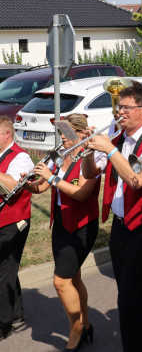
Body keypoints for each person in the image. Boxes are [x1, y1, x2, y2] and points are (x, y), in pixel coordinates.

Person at [84, 85, 142, 352]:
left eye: (126, 108)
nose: (119, 112)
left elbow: (137, 181)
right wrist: (88, 150)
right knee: (129, 292)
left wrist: (110, 150)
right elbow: (90, 173)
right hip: (121, 223)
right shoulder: (118, 138)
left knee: (130, 296)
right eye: (118, 107)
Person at [27, 114, 100, 351]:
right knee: (73, 278)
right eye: (60, 133)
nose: (62, 138)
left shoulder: (91, 157)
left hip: (82, 226)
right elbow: (42, 186)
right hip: (60, 223)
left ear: (80, 133)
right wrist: (28, 184)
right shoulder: (60, 155)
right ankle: (86, 323)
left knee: (61, 281)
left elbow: (82, 194)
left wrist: (53, 177)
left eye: (65, 133)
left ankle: (76, 329)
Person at [0, 116, 33, 342]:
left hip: (14, 221)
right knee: (7, 267)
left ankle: (4, 325)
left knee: (3, 271)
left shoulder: (21, 157)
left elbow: (11, 186)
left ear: (7, 134)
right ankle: (16, 312)